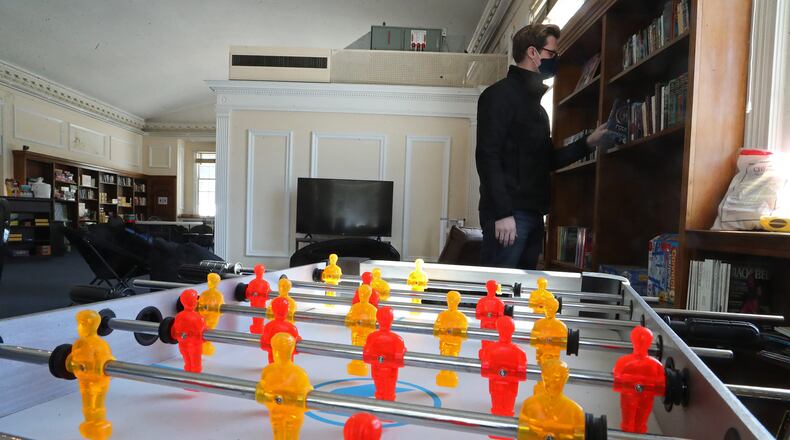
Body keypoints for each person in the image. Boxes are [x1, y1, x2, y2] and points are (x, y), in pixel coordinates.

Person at [476, 24, 608, 269]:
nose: (555, 60)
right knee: (497, 296)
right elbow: (487, 156)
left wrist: (588, 143)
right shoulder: (498, 96)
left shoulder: (538, 110)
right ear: (532, 53)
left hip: (534, 216)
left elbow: (548, 161)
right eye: (551, 54)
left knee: (521, 297)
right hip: (509, 217)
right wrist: (503, 213)